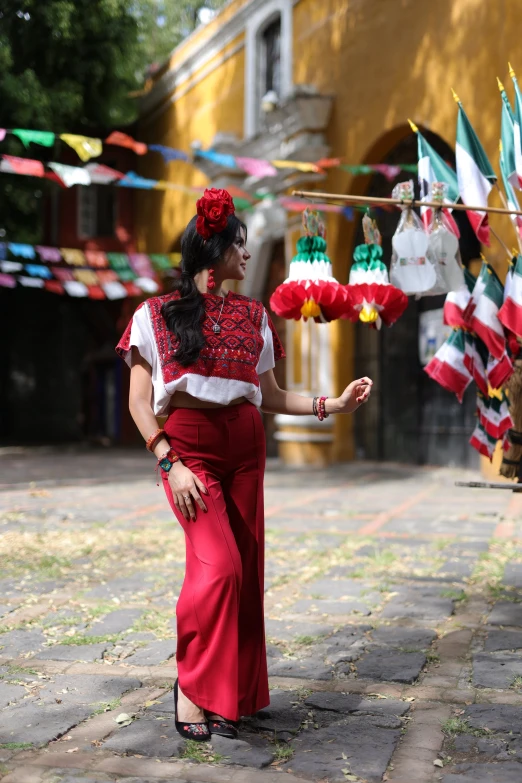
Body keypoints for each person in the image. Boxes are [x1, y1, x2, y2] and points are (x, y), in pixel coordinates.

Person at [116, 188, 372, 742]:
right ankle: (190, 687)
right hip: (188, 446)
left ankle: (232, 694)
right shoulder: (151, 315)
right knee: (218, 567)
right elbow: (139, 403)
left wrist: (335, 403)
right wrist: (170, 462)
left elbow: (271, 395)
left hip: (246, 446)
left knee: (247, 571)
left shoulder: (255, 315)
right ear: (214, 250)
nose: (248, 256)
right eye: (240, 245)